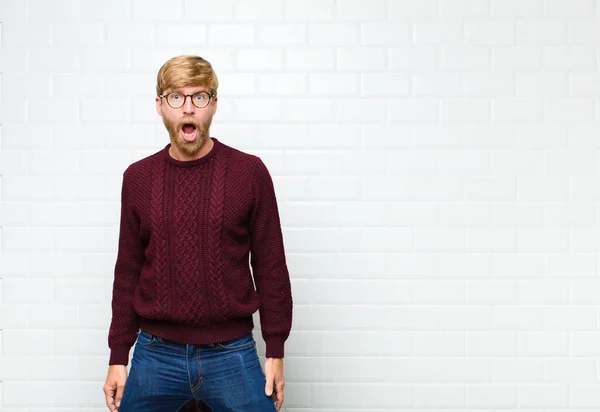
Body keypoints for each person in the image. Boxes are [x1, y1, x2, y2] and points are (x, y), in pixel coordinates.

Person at [103, 55, 293, 412]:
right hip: (155, 353)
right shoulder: (138, 178)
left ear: (214, 105)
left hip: (231, 351)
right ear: (160, 106)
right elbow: (127, 271)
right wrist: (118, 356)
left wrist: (276, 351)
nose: (188, 108)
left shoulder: (249, 173)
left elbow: (271, 266)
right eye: (176, 97)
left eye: (199, 97)